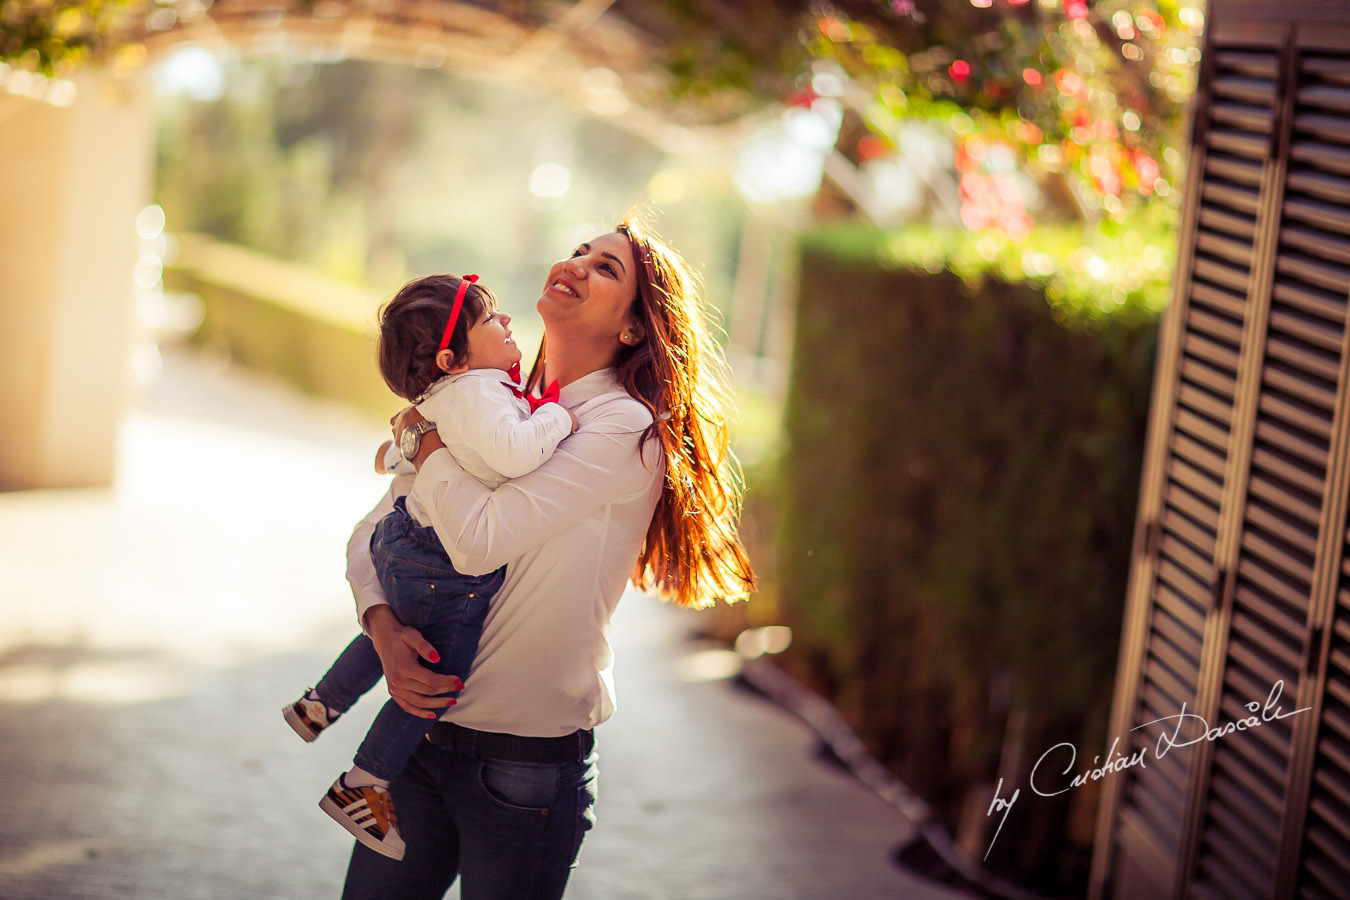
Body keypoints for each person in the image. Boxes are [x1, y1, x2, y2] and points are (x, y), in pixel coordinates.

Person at [340, 217, 757, 900]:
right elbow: (378, 530)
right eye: (579, 252)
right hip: (423, 741)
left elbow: (477, 542)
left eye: (607, 268)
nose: (579, 263)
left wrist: (427, 441)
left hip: (521, 769)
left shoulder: (622, 427)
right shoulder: (500, 401)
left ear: (631, 328)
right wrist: (381, 627)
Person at [284, 273, 580, 860]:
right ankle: (363, 782)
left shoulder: (448, 396)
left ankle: (322, 703)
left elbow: (420, 445)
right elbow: (516, 450)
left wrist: (397, 450)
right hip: (443, 563)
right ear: (452, 357)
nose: (508, 323)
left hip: (404, 542)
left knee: (403, 633)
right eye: (491, 321)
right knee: (437, 677)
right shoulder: (480, 393)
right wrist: (561, 419)